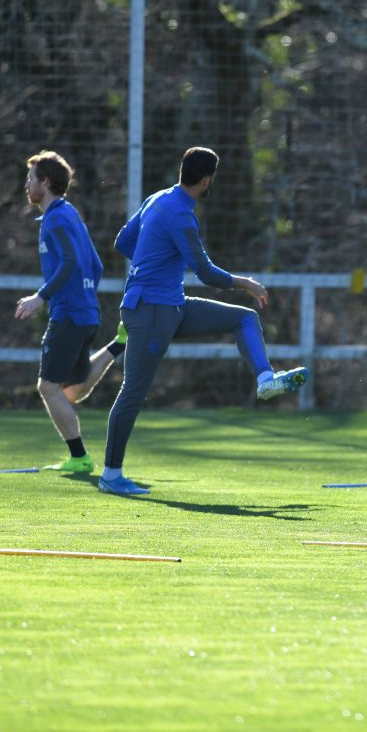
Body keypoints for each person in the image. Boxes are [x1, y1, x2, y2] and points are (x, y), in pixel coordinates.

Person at [100, 147, 309, 495]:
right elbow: (207, 272)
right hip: (151, 310)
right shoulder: (181, 215)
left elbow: (123, 241)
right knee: (133, 393)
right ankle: (110, 475)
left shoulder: (157, 198)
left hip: (170, 305)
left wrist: (151, 262)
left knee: (244, 318)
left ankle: (265, 378)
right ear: (208, 178)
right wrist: (246, 282)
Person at [13, 150, 125, 474]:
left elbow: (70, 262)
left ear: (45, 182)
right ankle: (118, 344)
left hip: (69, 314)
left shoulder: (57, 218)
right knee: (72, 390)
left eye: (31, 178)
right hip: (86, 312)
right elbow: (97, 264)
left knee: (47, 388)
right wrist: (86, 295)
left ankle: (79, 458)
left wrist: (41, 297)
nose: (27, 184)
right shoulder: (69, 214)